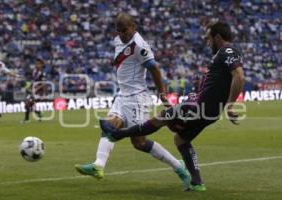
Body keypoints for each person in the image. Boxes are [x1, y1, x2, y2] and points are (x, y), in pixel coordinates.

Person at [100, 21, 246, 191]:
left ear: (218, 37)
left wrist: (230, 105)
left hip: (199, 108)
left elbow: (239, 76)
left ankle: (117, 134)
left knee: (161, 117)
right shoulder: (224, 55)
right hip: (209, 112)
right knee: (180, 139)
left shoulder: (227, 51)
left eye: (208, 38)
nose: (207, 42)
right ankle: (197, 182)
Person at [75, 12, 190, 190]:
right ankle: (98, 165)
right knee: (109, 126)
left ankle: (179, 167)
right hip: (123, 95)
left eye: (125, 30)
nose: (122, 34)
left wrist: (162, 94)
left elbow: (155, 69)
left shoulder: (140, 46)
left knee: (140, 143)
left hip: (137, 98)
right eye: (119, 31)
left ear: (134, 27)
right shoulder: (117, 40)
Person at [21, 58, 46, 123]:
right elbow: (33, 81)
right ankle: (39, 113)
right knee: (28, 105)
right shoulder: (34, 71)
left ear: (41, 65)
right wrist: (29, 87)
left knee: (27, 104)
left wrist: (42, 93)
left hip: (38, 92)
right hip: (33, 91)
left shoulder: (42, 73)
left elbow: (43, 84)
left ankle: (27, 119)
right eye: (36, 64)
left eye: (38, 64)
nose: (37, 65)